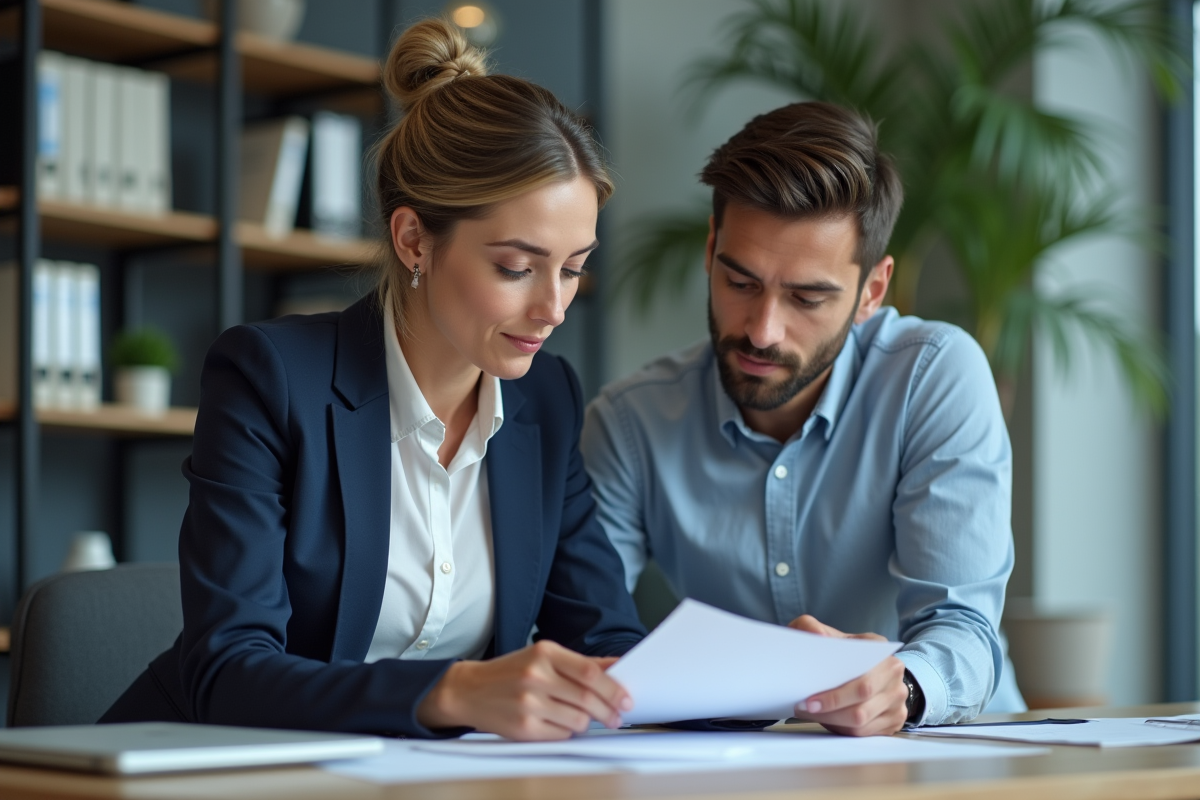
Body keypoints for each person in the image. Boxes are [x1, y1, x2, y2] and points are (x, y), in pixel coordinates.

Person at [102, 18, 645, 741]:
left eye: (574, 268)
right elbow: (226, 669)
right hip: (207, 766)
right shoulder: (270, 378)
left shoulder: (546, 397)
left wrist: (790, 682)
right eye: (517, 267)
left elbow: (607, 644)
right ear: (414, 238)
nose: (554, 307)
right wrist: (449, 693)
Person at [581, 101, 1025, 737]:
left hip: (951, 757)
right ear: (710, 251)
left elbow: (964, 629)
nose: (763, 330)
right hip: (742, 772)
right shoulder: (631, 424)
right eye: (741, 283)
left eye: (807, 297)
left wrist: (902, 686)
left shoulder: (933, 377)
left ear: (872, 291)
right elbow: (585, 632)